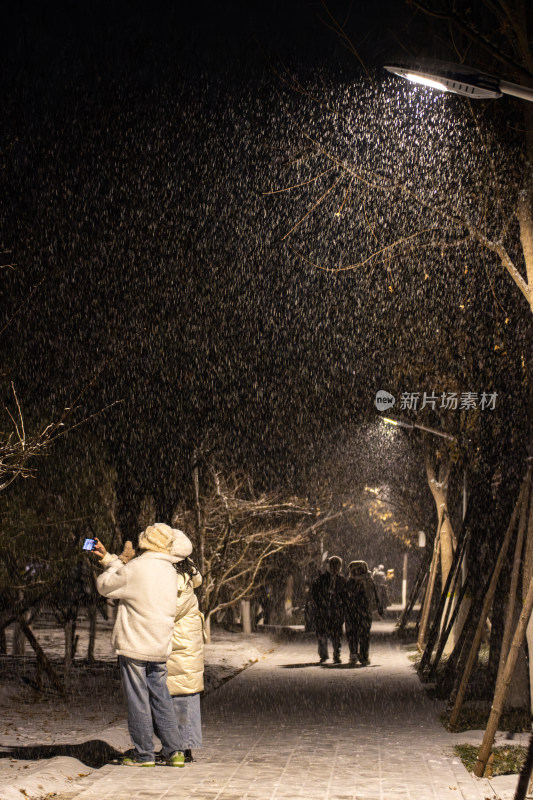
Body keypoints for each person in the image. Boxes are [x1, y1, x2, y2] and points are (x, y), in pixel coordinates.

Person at [94, 523, 193, 767]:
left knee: (138, 699)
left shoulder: (137, 567)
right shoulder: (169, 570)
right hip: (159, 644)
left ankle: (144, 754)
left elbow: (105, 586)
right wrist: (114, 559)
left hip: (135, 643)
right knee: (161, 698)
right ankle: (174, 751)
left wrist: (116, 561)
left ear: (146, 541)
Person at [165, 553, 205, 763]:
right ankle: (181, 746)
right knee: (182, 695)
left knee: (182, 696)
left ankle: (183, 747)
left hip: (181, 646)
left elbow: (170, 610)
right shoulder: (185, 574)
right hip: (183, 645)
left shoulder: (180, 581)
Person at [345, 560, 383, 666]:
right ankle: (361, 655)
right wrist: (379, 609)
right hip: (360, 612)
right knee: (360, 634)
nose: (357, 572)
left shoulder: (352, 582)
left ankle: (358, 655)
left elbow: (374, 596)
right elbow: (375, 596)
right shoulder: (366, 581)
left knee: (357, 634)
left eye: (358, 569)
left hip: (356, 612)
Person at [311, 556, 346, 664]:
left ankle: (337, 654)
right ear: (329, 566)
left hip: (337, 611)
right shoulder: (321, 579)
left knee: (337, 634)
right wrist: (320, 603)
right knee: (322, 633)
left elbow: (345, 596)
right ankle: (323, 655)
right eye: (333, 565)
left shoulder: (343, 580)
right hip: (323, 610)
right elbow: (315, 594)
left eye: (337, 565)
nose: (335, 568)